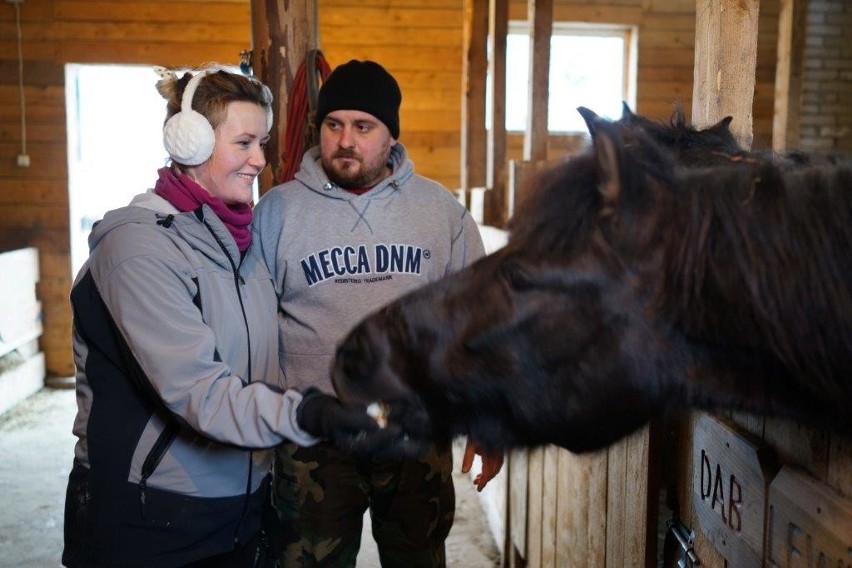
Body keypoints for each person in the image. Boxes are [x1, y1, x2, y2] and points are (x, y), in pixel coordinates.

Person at [62, 64, 407, 568]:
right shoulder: (139, 250)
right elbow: (197, 392)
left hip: (238, 508)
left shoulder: (239, 247)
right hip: (149, 514)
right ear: (190, 142)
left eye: (263, 142)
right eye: (244, 142)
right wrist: (309, 413)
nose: (261, 161)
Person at [252, 59, 504, 568]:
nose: (345, 140)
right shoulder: (276, 213)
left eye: (363, 127)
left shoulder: (441, 213)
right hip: (312, 438)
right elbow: (252, 327)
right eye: (333, 125)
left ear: (391, 136)